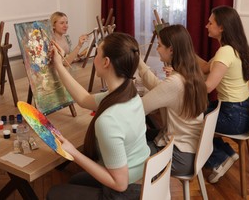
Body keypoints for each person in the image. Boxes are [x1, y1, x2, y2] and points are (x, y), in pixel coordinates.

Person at [47, 32, 150, 200]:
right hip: (143, 176)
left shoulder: (108, 121)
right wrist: (59, 65)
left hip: (128, 190)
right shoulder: (129, 93)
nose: (93, 59)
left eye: (96, 54)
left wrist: (74, 153)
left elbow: (120, 184)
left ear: (106, 62)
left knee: (54, 193)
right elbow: (84, 99)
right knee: (75, 180)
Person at [138, 25, 208, 176]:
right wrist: (139, 61)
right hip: (190, 149)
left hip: (179, 155)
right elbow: (160, 87)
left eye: (159, 45)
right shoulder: (193, 74)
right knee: (139, 136)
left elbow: (139, 109)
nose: (157, 49)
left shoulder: (175, 82)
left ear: (171, 50)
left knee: (127, 150)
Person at [197, 6, 249, 183]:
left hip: (233, 115)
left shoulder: (225, 51)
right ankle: (227, 153)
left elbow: (207, 87)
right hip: (243, 110)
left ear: (221, 27)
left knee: (190, 122)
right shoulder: (233, 48)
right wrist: (186, 52)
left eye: (210, 22)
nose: (206, 26)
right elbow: (206, 67)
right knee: (196, 114)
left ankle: (219, 159)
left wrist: (185, 83)